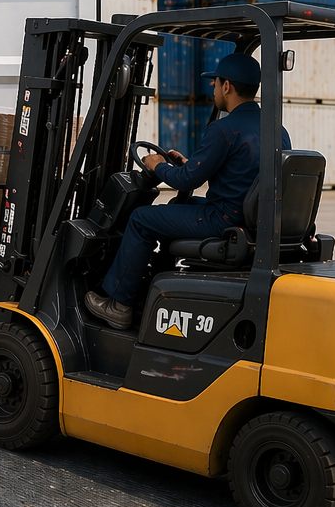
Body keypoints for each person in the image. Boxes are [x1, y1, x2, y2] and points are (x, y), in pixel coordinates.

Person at [85, 52, 290, 329]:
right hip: (249, 220)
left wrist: (158, 166)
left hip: (222, 220)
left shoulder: (224, 129)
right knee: (173, 210)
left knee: (142, 219)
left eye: (215, 83)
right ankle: (155, 289)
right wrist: (185, 164)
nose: (212, 88)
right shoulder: (277, 130)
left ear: (227, 86)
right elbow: (235, 171)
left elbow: (184, 181)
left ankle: (119, 305)